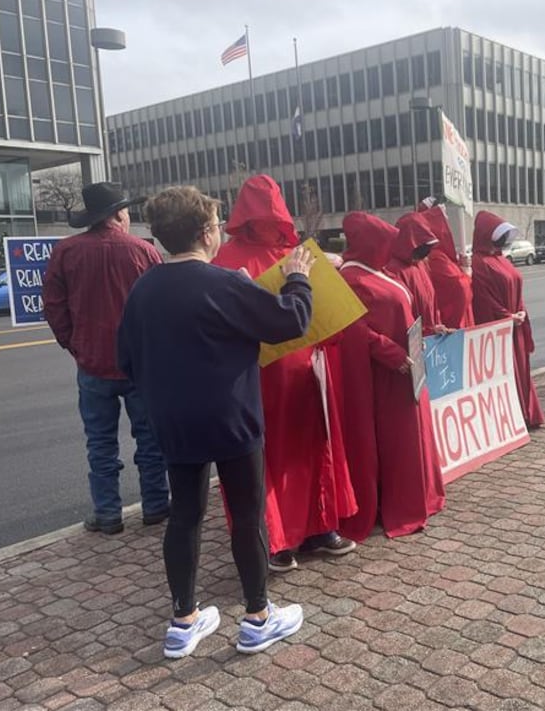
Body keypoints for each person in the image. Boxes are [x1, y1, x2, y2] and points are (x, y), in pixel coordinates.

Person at [117, 186, 312, 658]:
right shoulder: (225, 283)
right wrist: (296, 278)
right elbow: (292, 321)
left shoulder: (143, 290)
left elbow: (126, 358)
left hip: (174, 419)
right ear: (206, 232)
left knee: (184, 515)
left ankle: (183, 620)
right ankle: (257, 617)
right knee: (246, 515)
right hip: (231, 416)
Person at [212, 175, 357, 572]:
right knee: (275, 458)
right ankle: (278, 537)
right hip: (260, 375)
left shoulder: (289, 254)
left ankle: (308, 531)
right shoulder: (232, 261)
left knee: (296, 454)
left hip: (293, 373)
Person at [43, 182, 168, 535]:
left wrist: (74, 344)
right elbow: (159, 308)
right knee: (150, 439)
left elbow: (54, 305)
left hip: (92, 363)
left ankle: (108, 512)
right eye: (126, 211)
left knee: (100, 443)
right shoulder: (144, 251)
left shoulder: (66, 252)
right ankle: (156, 504)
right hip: (140, 364)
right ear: (117, 215)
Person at [336, 212, 446, 540]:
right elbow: (354, 328)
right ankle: (394, 502)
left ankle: (416, 495)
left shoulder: (378, 272)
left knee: (409, 435)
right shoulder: (350, 278)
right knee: (393, 439)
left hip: (405, 367)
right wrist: (392, 353)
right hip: (383, 374)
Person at [472, 211, 545, 429]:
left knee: (520, 368)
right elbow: (483, 297)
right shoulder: (479, 262)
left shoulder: (499, 259)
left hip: (516, 325)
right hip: (502, 327)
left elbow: (516, 287)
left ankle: (524, 412)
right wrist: (506, 316)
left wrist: (520, 311)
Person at [385, 212, 447, 337]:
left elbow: (431, 302)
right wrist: (426, 331)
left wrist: (437, 326)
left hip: (432, 338)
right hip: (414, 343)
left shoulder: (421, 265)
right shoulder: (392, 269)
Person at [422, 200, 474, 329]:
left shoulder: (439, 256)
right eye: (444, 220)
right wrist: (467, 274)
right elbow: (460, 288)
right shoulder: (436, 257)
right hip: (453, 325)